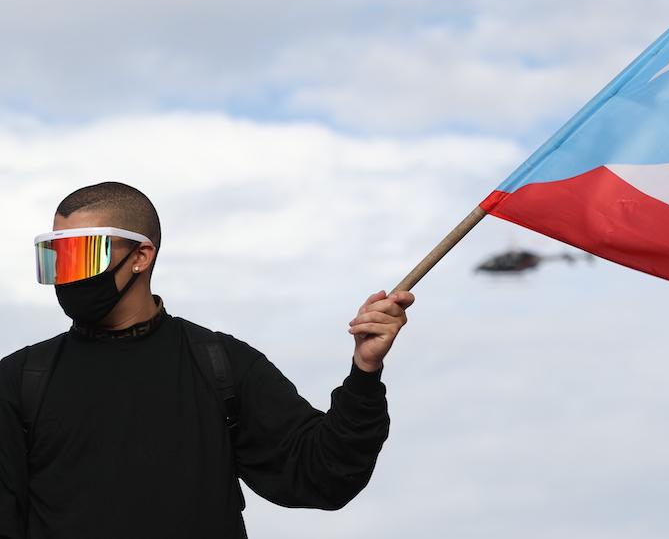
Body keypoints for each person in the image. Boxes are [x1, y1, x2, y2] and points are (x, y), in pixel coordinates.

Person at [0, 182, 414, 538]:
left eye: (83, 255)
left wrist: (365, 371)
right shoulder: (18, 381)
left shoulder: (222, 365)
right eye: (56, 258)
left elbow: (322, 475)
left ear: (142, 256)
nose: (68, 277)